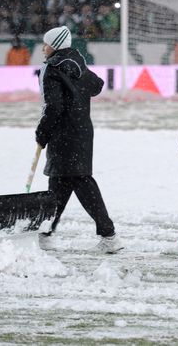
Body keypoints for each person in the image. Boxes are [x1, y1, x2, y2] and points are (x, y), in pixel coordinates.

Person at [35, 25, 122, 253]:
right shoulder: (78, 63)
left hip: (63, 134)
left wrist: (41, 133)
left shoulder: (52, 69)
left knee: (80, 182)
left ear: (54, 46)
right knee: (59, 183)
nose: (43, 48)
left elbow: (52, 107)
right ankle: (45, 232)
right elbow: (97, 86)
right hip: (82, 131)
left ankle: (109, 235)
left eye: (46, 44)